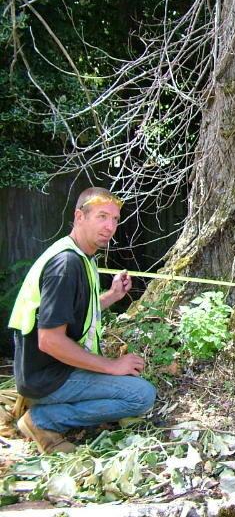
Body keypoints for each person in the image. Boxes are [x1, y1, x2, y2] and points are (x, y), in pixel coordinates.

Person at [9, 187, 156, 454]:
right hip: (48, 378)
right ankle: (41, 420)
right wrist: (112, 366)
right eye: (102, 216)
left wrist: (111, 296)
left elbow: (74, 312)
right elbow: (50, 341)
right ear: (80, 216)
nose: (110, 226)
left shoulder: (80, 256)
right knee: (141, 395)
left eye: (114, 219)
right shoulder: (66, 266)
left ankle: (42, 411)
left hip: (52, 371)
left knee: (132, 384)